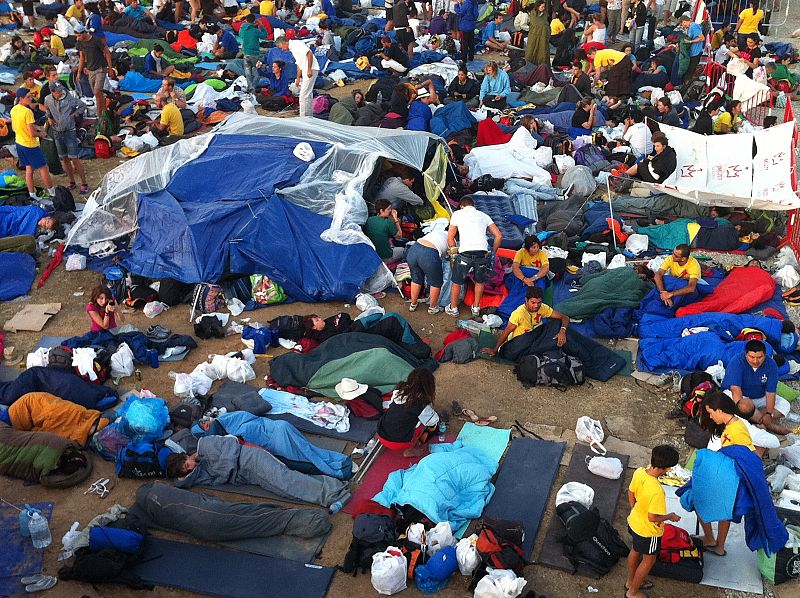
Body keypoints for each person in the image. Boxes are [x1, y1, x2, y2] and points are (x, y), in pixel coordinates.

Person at [166, 435, 351, 509]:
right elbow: (181, 482)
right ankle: (333, 487)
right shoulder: (201, 472)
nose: (190, 468)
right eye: (186, 470)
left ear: (186, 456)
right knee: (285, 490)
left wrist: (225, 470)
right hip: (249, 475)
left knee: (287, 482)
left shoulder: (206, 444)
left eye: (187, 464)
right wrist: (186, 474)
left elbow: (232, 445)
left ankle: (334, 495)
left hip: (251, 459)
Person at [695, 391, 753, 555]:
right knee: (725, 510)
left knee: (695, 497)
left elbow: (746, 456)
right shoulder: (733, 425)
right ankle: (718, 545)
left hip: (731, 478)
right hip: (729, 475)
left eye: (711, 413)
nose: (711, 417)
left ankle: (711, 539)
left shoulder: (737, 431)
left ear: (719, 410)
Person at [625, 445, 681, 598]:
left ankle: (630, 582)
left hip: (634, 522)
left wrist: (634, 508)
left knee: (635, 550)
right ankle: (632, 593)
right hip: (648, 532)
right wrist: (670, 516)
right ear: (666, 468)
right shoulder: (657, 491)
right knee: (648, 561)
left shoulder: (639, 472)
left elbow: (631, 491)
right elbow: (653, 518)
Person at [446, 196, 502, 318]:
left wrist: (453, 255)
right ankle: (476, 307)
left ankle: (453, 308)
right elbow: (498, 236)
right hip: (482, 253)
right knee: (480, 281)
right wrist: (493, 252)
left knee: (457, 281)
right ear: (474, 206)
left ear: (461, 206)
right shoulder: (484, 215)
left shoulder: (457, 214)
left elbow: (450, 237)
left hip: (465, 254)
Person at [723, 339, 792, 436]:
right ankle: (768, 424)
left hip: (760, 396)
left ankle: (755, 418)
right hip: (742, 397)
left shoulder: (771, 364)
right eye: (752, 357)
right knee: (734, 402)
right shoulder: (737, 361)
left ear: (765, 355)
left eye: (759, 357)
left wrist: (769, 413)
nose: (755, 361)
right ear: (746, 355)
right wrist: (742, 409)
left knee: (785, 405)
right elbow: (735, 389)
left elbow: (770, 392)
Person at [483, 286, 571, 357]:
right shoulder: (519, 313)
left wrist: (562, 331)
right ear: (526, 300)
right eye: (533, 302)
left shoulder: (542, 307)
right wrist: (495, 350)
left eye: (539, 302)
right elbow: (506, 332)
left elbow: (565, 317)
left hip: (536, 339)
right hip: (521, 342)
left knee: (557, 325)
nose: (536, 306)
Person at [377, 368, 440, 457]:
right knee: (428, 425)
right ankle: (410, 450)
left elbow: (392, 405)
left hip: (380, 432)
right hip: (397, 443)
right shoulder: (420, 405)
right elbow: (433, 421)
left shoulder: (399, 391)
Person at [44, 82, 88, 195]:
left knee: (75, 158)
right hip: (57, 132)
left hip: (70, 132)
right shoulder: (48, 99)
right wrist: (49, 118)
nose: (61, 92)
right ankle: (72, 181)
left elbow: (82, 106)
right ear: (52, 92)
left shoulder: (69, 98)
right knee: (64, 158)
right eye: (58, 90)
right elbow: (47, 110)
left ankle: (84, 184)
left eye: (61, 89)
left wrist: (74, 114)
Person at [11, 89, 55, 201]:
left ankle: (32, 194)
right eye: (28, 97)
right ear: (21, 98)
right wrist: (42, 134)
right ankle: (52, 193)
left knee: (29, 169)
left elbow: (14, 128)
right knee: (44, 168)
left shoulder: (14, 109)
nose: (31, 98)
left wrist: (35, 128)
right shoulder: (28, 112)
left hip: (19, 143)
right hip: (30, 145)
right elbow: (32, 133)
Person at [407, 227, 448, 314]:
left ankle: (413, 304)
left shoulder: (437, 231)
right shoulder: (452, 239)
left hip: (414, 249)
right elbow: (449, 257)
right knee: (436, 283)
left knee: (416, 279)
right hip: (429, 254)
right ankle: (432, 308)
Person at [75, 23, 113, 116]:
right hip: (90, 70)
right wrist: (79, 72)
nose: (77, 38)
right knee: (97, 94)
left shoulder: (96, 40)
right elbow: (82, 57)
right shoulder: (80, 42)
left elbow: (107, 53)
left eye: (79, 35)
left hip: (100, 69)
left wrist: (110, 68)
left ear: (84, 33)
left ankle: (99, 115)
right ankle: (104, 112)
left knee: (97, 91)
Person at [277, 36, 319, 118]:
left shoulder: (296, 44)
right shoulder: (293, 48)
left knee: (303, 95)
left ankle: (303, 117)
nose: (282, 50)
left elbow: (309, 54)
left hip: (310, 69)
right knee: (308, 94)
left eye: (281, 47)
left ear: (284, 43)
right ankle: (309, 116)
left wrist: (309, 69)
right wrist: (298, 78)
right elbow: (299, 64)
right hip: (306, 69)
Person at [364, 198, 404, 263]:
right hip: (385, 257)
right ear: (381, 210)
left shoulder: (368, 220)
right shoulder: (388, 222)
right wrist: (395, 218)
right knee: (403, 250)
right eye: (388, 209)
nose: (390, 211)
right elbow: (399, 236)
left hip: (373, 256)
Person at [240, 13, 268, 92]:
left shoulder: (242, 29)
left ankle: (250, 87)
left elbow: (240, 35)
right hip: (255, 54)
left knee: (248, 72)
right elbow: (265, 35)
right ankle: (253, 87)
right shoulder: (255, 31)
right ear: (254, 20)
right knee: (257, 72)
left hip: (246, 53)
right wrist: (261, 25)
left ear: (246, 20)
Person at [680, 13, 705, 84]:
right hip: (692, 52)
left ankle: (687, 84)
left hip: (696, 52)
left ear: (686, 21)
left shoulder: (694, 26)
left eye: (684, 23)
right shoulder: (690, 28)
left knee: (690, 70)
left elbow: (702, 38)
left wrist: (690, 41)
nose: (684, 26)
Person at [525, 1, 550, 66]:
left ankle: (542, 66)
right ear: (538, 6)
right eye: (542, 7)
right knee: (532, 50)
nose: (543, 8)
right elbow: (535, 23)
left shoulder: (545, 14)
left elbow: (545, 23)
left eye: (544, 7)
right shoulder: (533, 14)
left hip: (543, 36)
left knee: (542, 51)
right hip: (534, 35)